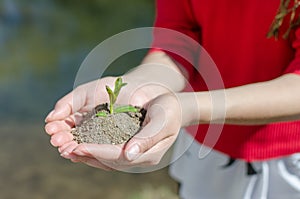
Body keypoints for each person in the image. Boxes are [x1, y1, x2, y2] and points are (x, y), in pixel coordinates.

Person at [45, 0, 300, 198]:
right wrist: (141, 86)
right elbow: (180, 38)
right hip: (203, 146)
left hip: (288, 157)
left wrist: (188, 107)